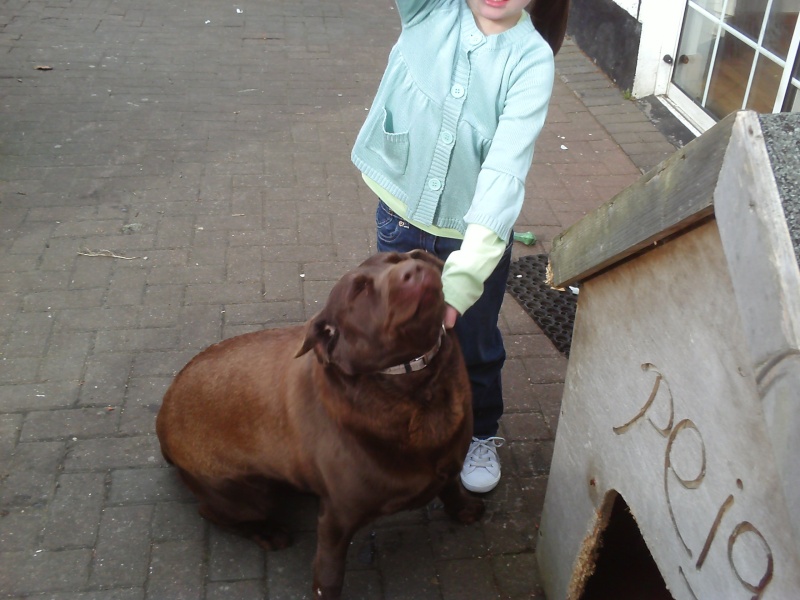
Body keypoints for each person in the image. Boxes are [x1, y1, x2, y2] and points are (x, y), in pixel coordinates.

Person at [351, 0, 570, 493]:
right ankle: (392, 421)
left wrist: (465, 274)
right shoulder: (429, 11)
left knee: (474, 341)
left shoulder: (531, 60)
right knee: (393, 329)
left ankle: (479, 433)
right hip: (400, 214)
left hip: (474, 235)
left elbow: (504, 171)